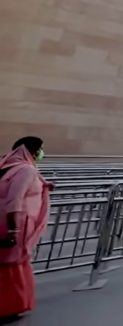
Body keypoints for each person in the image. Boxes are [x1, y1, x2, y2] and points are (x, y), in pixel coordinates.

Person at [0, 137, 51, 323]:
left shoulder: (6, 166)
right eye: (41, 149)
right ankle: (9, 306)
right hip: (16, 223)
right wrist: (13, 229)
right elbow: (15, 199)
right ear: (34, 151)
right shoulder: (26, 170)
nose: (43, 152)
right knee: (12, 265)